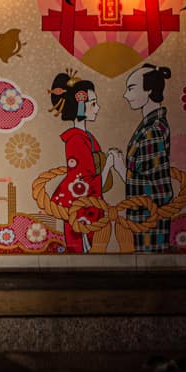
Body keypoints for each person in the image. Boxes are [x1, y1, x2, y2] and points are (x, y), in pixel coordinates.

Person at [110, 63, 173, 253]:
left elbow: (150, 182)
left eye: (131, 88)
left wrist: (120, 167)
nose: (125, 95)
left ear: (149, 90)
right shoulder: (151, 125)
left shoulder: (152, 130)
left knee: (149, 258)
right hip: (144, 212)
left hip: (149, 214)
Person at [49, 71, 112, 253]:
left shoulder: (87, 137)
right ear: (80, 107)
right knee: (81, 247)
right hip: (80, 207)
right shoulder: (76, 140)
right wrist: (108, 165)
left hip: (87, 205)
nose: (97, 108)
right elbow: (84, 179)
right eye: (93, 103)